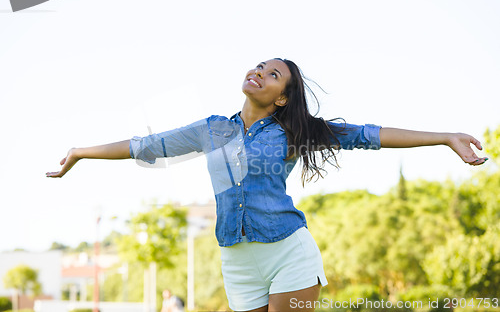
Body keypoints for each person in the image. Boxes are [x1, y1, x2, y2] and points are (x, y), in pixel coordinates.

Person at [46, 58, 487, 312]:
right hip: (235, 261)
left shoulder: (296, 131)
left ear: (281, 98)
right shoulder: (211, 130)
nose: (259, 71)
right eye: (259, 66)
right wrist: (82, 152)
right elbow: (146, 145)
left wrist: (446, 137)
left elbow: (370, 135)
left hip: (288, 253)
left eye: (273, 74)